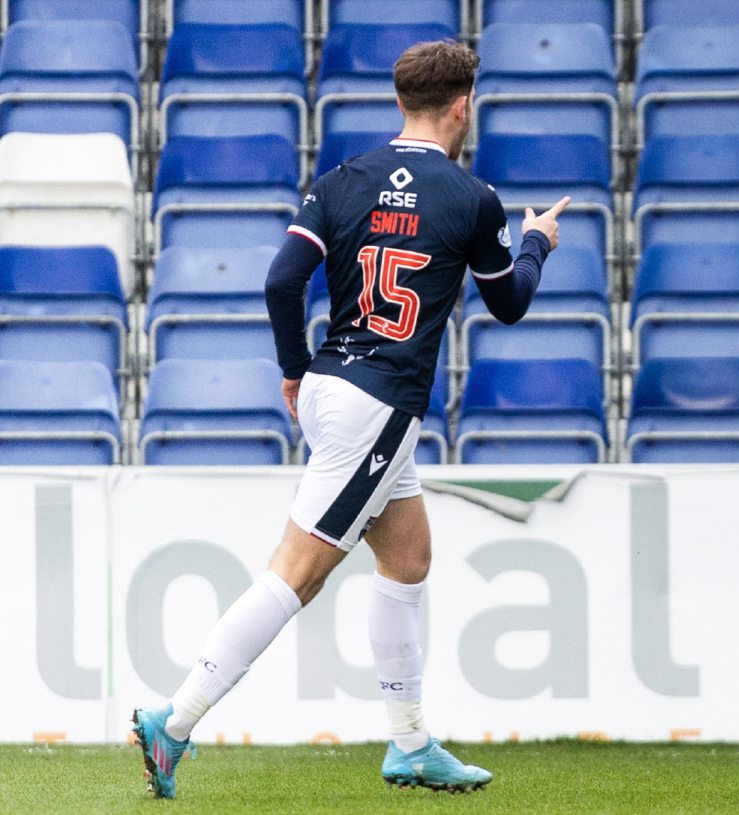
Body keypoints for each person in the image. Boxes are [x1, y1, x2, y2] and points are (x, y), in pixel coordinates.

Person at [130, 39, 570, 799]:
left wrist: (293, 368)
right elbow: (509, 302)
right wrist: (536, 242)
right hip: (381, 402)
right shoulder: (473, 198)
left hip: (332, 384)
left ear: (400, 102)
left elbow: (281, 282)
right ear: (463, 106)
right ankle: (177, 718)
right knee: (297, 574)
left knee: (408, 558)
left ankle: (411, 743)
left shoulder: (342, 180)